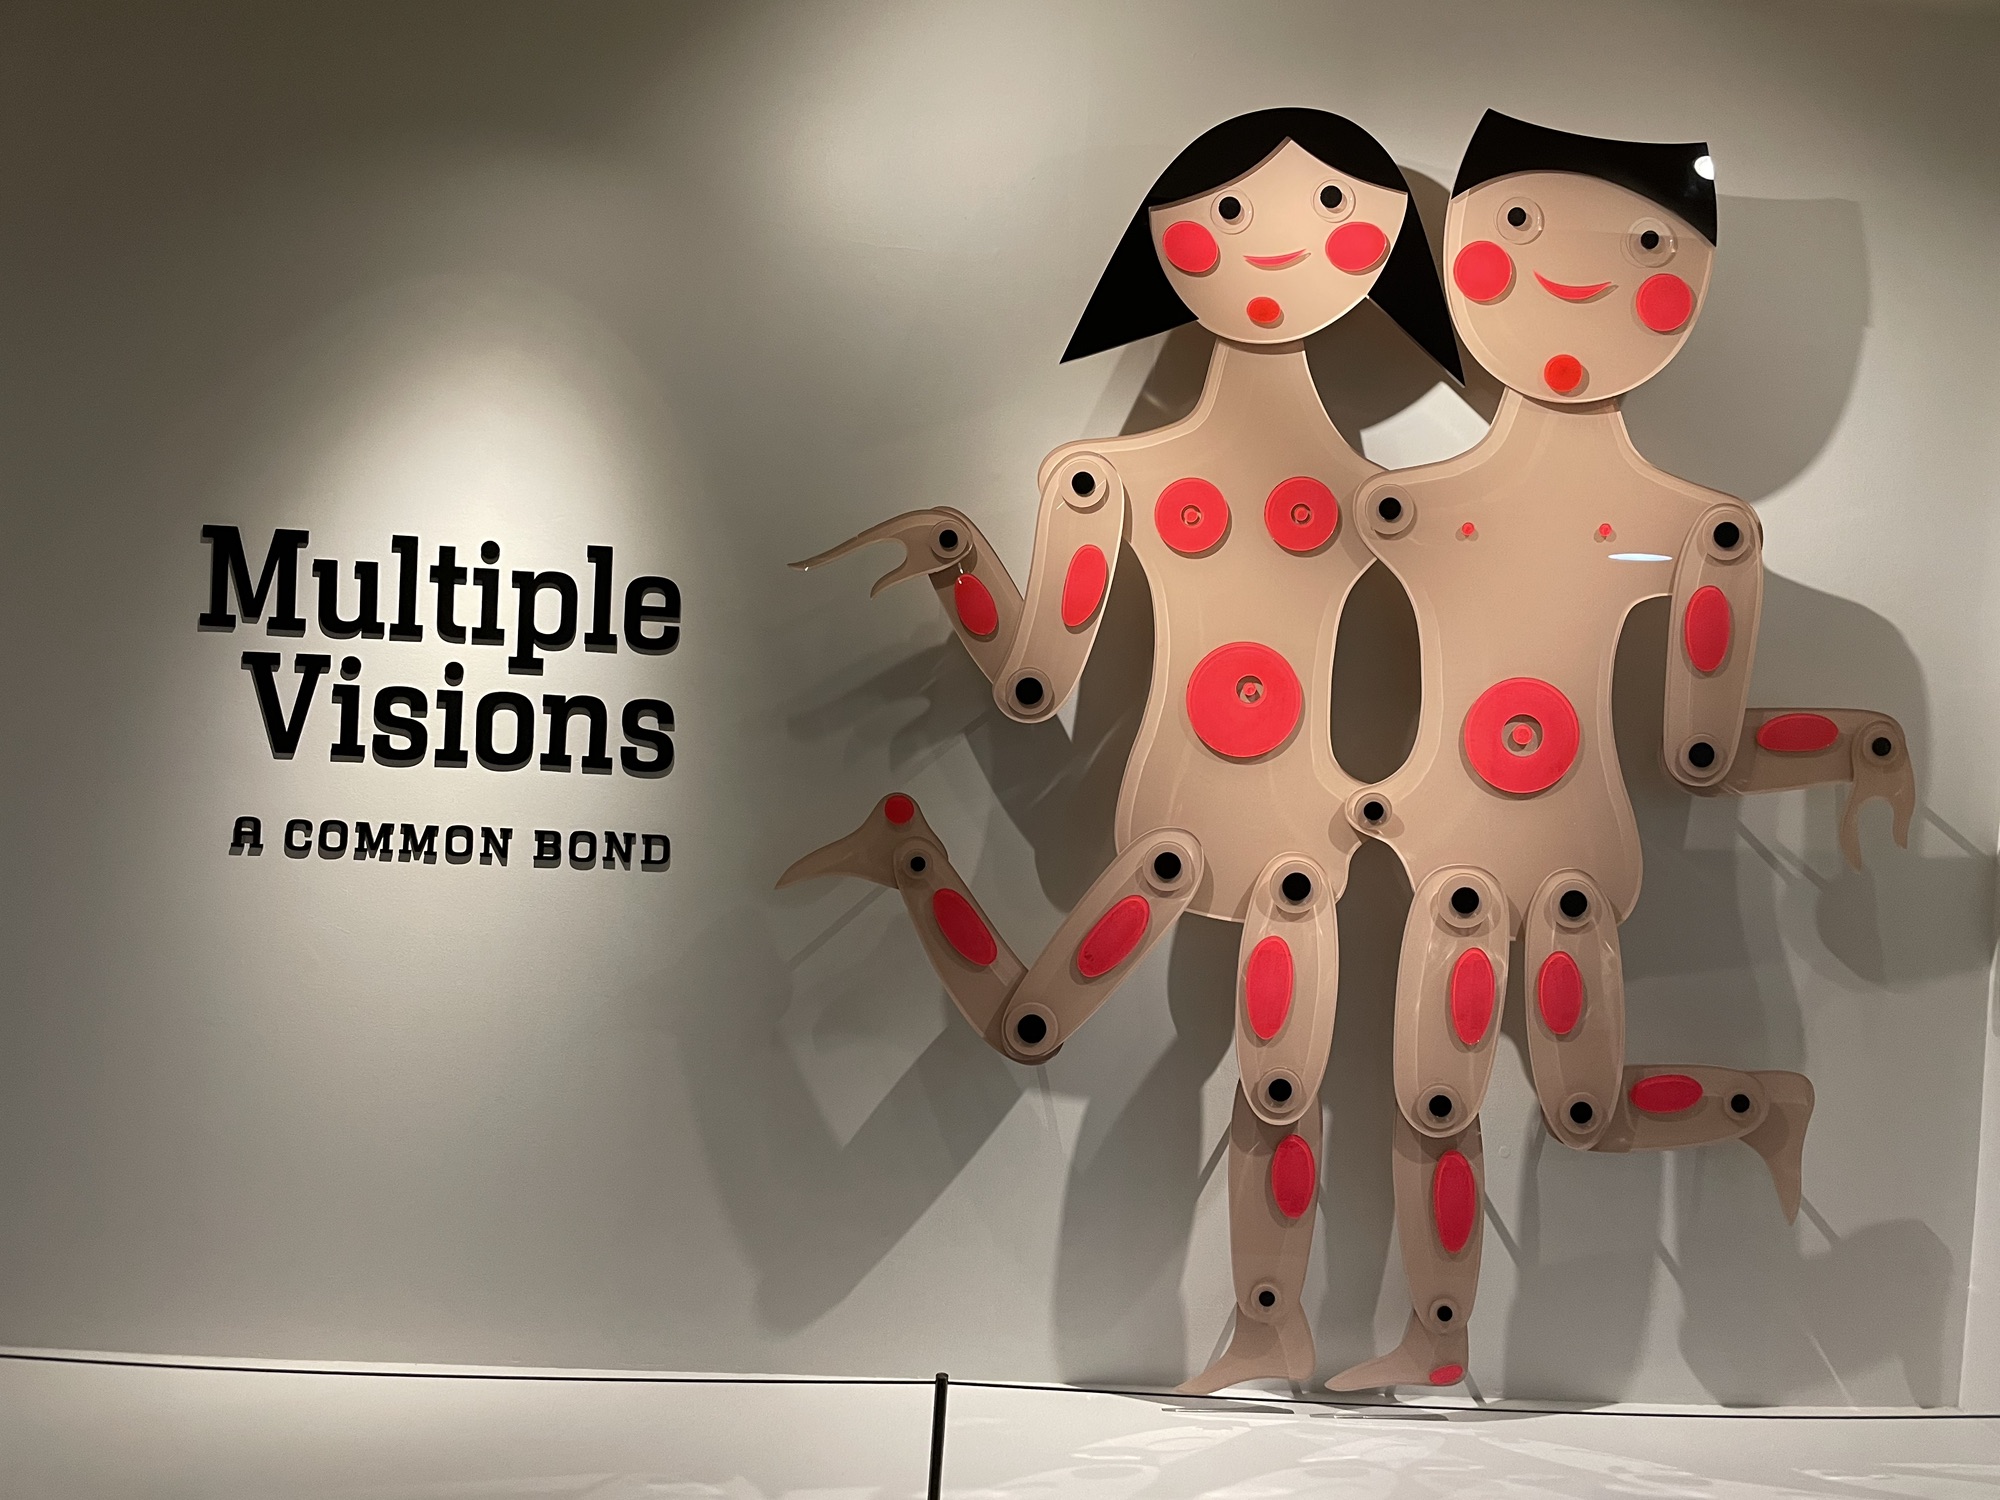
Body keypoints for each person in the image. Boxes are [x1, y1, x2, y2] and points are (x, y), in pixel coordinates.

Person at [779, 108, 1460, 1392]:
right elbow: (1035, 677)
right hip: (1175, 832)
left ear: (1378, 250)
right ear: (1173, 240)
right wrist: (956, 559)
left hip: (1304, 843)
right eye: (1233, 212)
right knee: (1036, 1025)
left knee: (1282, 1090)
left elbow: (1452, 665)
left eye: (1330, 210)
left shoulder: (1395, 503)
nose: (1275, 241)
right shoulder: (1109, 477)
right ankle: (910, 856)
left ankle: (1269, 1326)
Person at [1327, 110, 1915, 1392]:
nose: (1569, 271)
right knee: (1434, 1097)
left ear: (1681, 284)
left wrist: (1847, 746)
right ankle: (1435, 1344)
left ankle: (1754, 1108)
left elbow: (1696, 752)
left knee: (1576, 1112)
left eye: (1644, 245)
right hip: (1445, 835)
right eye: (1519, 226)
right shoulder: (1407, 505)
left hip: (1570, 852)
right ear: (1463, 250)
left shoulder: (1688, 526)